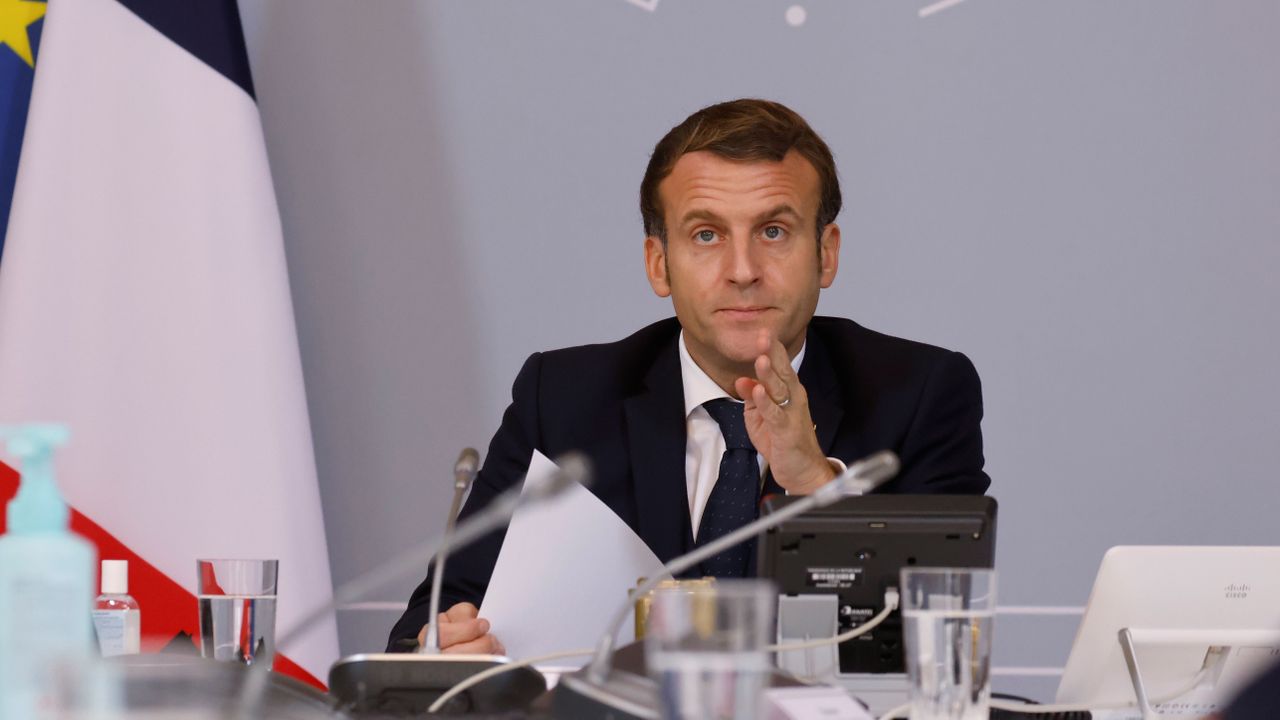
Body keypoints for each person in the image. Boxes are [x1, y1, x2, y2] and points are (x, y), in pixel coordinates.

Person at [387, 99, 990, 654]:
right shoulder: (565, 397)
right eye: (706, 235)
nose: (743, 270)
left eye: (773, 231)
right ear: (659, 263)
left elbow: (943, 648)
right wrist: (446, 648)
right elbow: (432, 620)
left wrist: (814, 486)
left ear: (825, 253)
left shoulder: (920, 394)